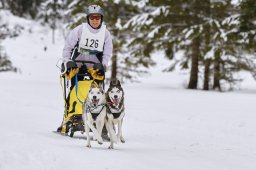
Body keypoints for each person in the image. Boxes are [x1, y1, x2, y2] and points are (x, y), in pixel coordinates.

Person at [57, 4, 113, 136]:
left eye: (97, 18)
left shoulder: (105, 34)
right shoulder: (79, 30)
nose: (95, 20)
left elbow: (107, 52)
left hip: (94, 69)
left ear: (101, 19)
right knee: (74, 93)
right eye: (92, 17)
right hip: (77, 67)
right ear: (88, 18)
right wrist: (67, 61)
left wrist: (103, 65)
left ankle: (99, 121)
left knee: (96, 95)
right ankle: (71, 118)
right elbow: (68, 47)